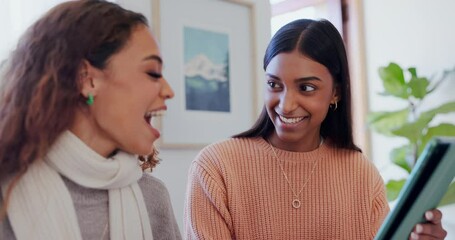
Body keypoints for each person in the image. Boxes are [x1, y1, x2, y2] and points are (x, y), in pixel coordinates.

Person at [184, 19, 447, 239]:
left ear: (335, 93)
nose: (286, 106)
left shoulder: (360, 174)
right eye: (274, 85)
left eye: (306, 88)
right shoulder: (216, 168)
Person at [0, 1, 181, 239]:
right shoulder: (6, 195)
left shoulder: (153, 198)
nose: (169, 90)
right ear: (87, 79)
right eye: (153, 73)